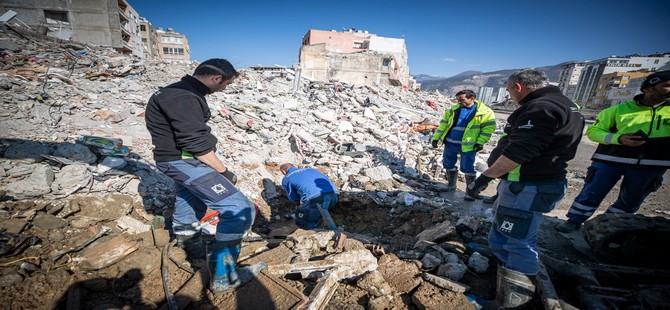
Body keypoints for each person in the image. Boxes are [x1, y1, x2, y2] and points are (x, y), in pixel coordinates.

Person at [466, 69, 585, 308]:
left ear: (518, 87)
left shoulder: (539, 108)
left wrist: (484, 178)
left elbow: (520, 151)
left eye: (509, 91)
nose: (510, 96)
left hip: (529, 186)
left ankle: (511, 301)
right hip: (531, 184)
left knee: (518, 241)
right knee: (506, 226)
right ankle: (501, 257)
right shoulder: (564, 104)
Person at [145, 59, 264, 294]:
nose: (224, 89)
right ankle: (224, 277)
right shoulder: (183, 97)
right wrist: (223, 171)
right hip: (184, 162)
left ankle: (191, 245)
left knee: (189, 199)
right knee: (239, 210)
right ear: (216, 78)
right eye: (225, 84)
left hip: (177, 161)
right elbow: (195, 142)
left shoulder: (178, 92)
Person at [557, 70, 670, 233]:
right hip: (611, 160)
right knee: (592, 192)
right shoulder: (618, 110)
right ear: (649, 88)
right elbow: (594, 131)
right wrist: (619, 138)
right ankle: (574, 220)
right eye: (666, 86)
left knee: (631, 200)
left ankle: (611, 226)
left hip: (652, 165)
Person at [431, 90, 496, 200]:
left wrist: (480, 142)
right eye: (458, 100)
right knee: (448, 164)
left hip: (468, 145)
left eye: (462, 100)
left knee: (467, 167)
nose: (459, 102)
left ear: (472, 98)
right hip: (451, 143)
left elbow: (487, 129)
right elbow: (443, 125)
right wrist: (436, 138)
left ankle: (469, 191)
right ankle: (451, 185)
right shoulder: (453, 110)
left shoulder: (484, 112)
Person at [280, 163, 339, 229]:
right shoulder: (311, 170)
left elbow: (294, 198)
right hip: (335, 195)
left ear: (283, 171)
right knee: (317, 211)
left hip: (317, 199)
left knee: (303, 220)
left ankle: (315, 235)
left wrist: (299, 206)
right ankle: (324, 226)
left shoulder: (287, 178)